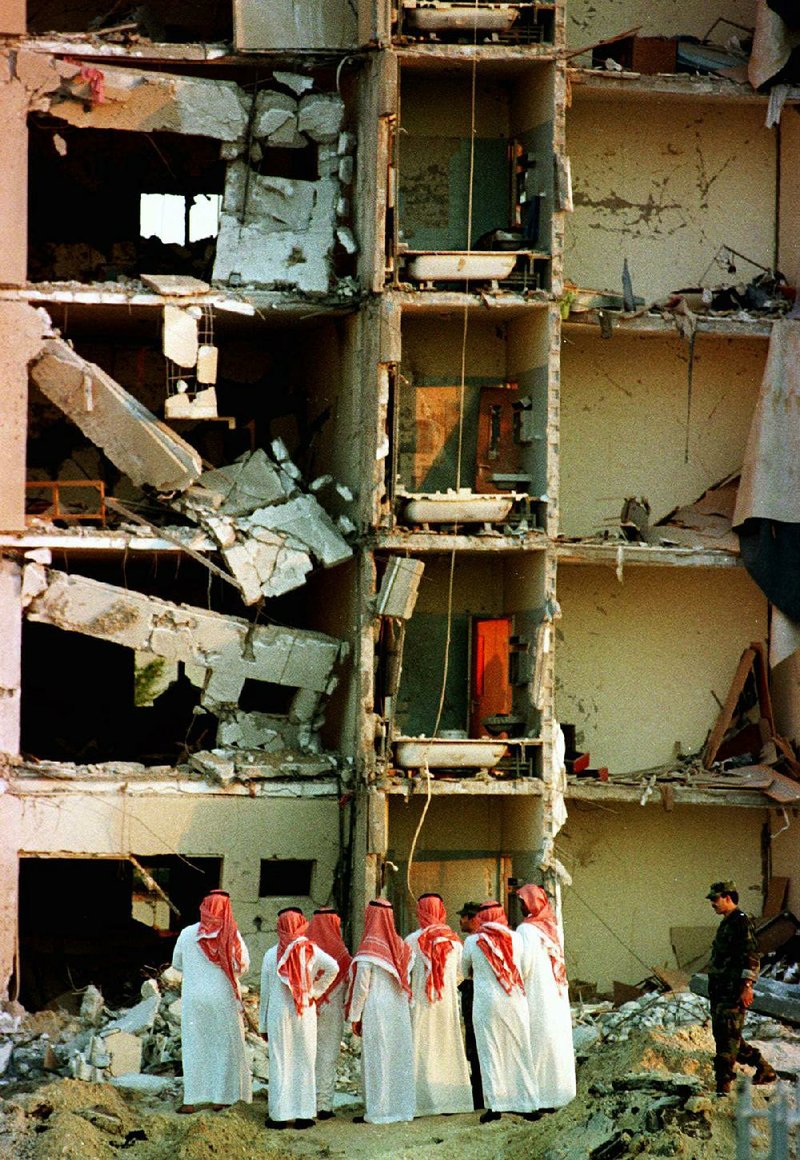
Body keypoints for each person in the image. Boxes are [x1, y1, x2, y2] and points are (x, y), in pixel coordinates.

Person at [171, 889, 252, 1113]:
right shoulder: (231, 935)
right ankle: (220, 1098)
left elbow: (177, 964)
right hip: (222, 999)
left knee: (194, 1046)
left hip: (193, 999)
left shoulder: (187, 933)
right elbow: (243, 966)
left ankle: (191, 1100)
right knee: (223, 1047)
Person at [259, 907, 339, 1129]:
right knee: (304, 1060)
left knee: (280, 1061)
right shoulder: (310, 950)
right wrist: (315, 991)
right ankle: (304, 1115)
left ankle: (280, 1116)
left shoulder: (270, 954)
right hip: (304, 1012)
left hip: (278, 1015)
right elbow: (333, 967)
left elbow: (264, 993)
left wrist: (262, 1024)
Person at [462, 899, 538, 1122]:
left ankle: (496, 1106)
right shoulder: (516, 938)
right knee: (520, 1049)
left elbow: (464, 970)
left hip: (486, 1003)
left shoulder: (473, 941)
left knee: (490, 1050)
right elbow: (524, 968)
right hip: (515, 1000)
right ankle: (527, 1104)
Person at [346, 898, 415, 1123]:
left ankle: (378, 1111)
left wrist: (355, 1016)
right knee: (397, 1056)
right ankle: (401, 1109)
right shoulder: (403, 947)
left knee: (377, 1057)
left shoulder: (368, 949)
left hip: (377, 1008)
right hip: (399, 1008)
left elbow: (361, 988)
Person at [706, 880, 777, 1095]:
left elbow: (751, 956)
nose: (712, 904)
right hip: (720, 991)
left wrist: (747, 986)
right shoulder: (727, 922)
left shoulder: (741, 922)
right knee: (728, 1036)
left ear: (728, 897)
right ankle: (764, 1069)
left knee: (727, 1042)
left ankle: (723, 1087)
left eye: (715, 899)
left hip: (733, 991)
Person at [405, 893, 473, 1116]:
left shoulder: (412, 940)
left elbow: (405, 973)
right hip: (446, 1003)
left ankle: (420, 1104)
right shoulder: (454, 941)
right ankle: (451, 1102)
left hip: (421, 1002)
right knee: (447, 1045)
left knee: (422, 1047)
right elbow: (462, 974)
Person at [515, 883, 576, 1110]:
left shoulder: (526, 930)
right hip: (557, 994)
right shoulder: (554, 927)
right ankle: (562, 1094)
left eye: (522, 902)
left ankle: (541, 1097)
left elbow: (524, 964)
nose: (520, 906)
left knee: (538, 1042)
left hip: (537, 993)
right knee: (556, 1042)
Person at [306, 907, 352, 1121]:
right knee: (327, 1056)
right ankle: (323, 1105)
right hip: (332, 1010)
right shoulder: (342, 954)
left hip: (307, 1008)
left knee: (307, 1054)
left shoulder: (304, 950)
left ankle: (304, 1103)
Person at [457, 901, 484, 1110]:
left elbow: (465, 971)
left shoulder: (472, 941)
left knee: (475, 1045)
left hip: (475, 993)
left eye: (465, 917)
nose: (461, 921)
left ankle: (479, 1097)